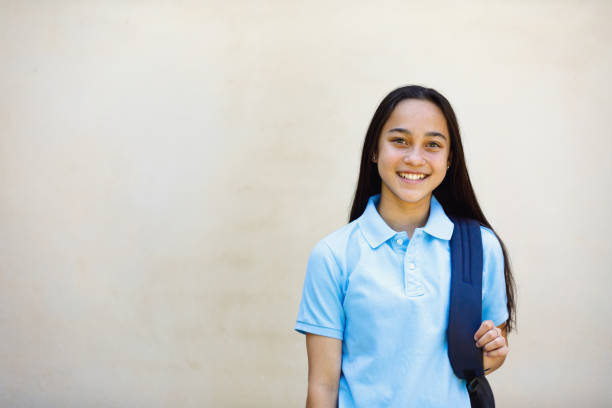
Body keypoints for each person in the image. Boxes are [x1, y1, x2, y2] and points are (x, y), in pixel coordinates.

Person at [294, 85, 516, 408]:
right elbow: (323, 387)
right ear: (374, 150)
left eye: (433, 145)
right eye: (400, 141)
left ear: (450, 157)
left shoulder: (481, 247)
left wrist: (492, 354)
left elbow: (485, 357)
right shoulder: (333, 256)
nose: (415, 158)